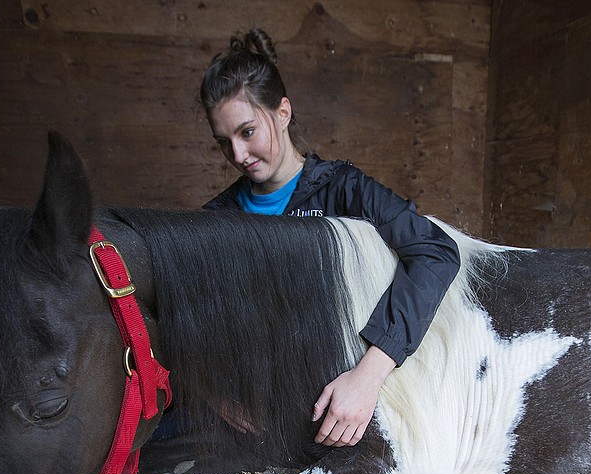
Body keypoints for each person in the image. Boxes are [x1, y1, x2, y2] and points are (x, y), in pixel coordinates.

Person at [197, 28, 460, 448]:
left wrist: (369, 374)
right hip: (259, 424)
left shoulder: (344, 190)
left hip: (342, 408)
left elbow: (436, 252)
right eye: (223, 142)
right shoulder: (218, 219)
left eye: (247, 132)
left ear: (282, 112)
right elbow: (187, 314)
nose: (238, 156)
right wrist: (211, 392)